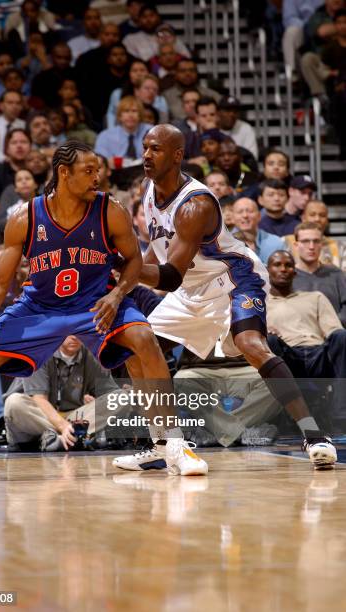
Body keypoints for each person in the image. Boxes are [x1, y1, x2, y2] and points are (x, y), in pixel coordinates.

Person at [0, 140, 207, 477]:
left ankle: (170, 445)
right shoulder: (26, 217)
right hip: (39, 307)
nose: (97, 177)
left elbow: (134, 261)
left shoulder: (110, 210)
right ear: (64, 173)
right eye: (89, 171)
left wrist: (116, 296)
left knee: (143, 337)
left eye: (99, 170)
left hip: (96, 302)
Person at [113, 124, 337, 471]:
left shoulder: (195, 203)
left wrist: (121, 265)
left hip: (233, 278)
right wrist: (124, 278)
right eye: (144, 148)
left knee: (250, 344)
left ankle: (314, 435)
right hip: (192, 288)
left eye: (155, 149)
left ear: (177, 155)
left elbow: (169, 277)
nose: (145, 155)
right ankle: (162, 443)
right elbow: (162, 261)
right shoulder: (148, 190)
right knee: (135, 346)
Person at [266, 249, 346, 422]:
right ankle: (275, 417)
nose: (283, 269)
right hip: (285, 356)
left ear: (294, 272)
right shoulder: (261, 303)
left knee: (342, 337)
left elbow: (334, 330)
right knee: (269, 341)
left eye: (288, 265)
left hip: (318, 355)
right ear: (267, 270)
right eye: (277, 265)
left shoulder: (315, 297)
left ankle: (341, 416)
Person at [4, 334, 120, 451]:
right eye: (70, 332)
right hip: (40, 417)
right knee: (14, 403)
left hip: (73, 416)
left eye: (79, 332)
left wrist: (96, 402)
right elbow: (39, 399)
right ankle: (74, 437)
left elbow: (110, 394)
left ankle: (57, 440)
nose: (74, 337)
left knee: (120, 397)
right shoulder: (39, 351)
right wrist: (63, 426)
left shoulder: (92, 353)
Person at [292, 222, 346, 325]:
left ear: (321, 244)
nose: (311, 246)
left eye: (316, 241)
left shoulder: (335, 274)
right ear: (296, 245)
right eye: (305, 241)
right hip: (297, 336)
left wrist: (334, 324)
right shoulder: (288, 277)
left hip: (334, 334)